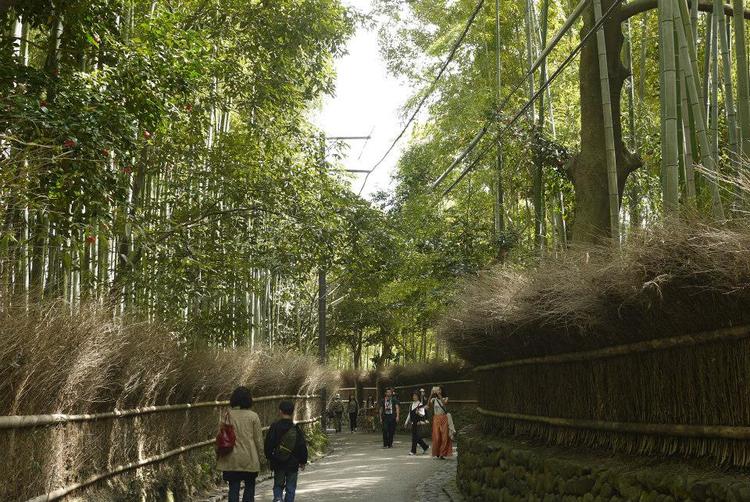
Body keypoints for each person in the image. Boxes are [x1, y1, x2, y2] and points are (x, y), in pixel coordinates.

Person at [217, 386, 264, 502]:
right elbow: (258, 439)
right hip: (250, 458)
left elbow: (220, 437)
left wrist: (218, 454)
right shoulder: (253, 416)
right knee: (249, 487)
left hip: (231, 459)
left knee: (233, 488)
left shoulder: (227, 415)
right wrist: (262, 457)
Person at [264, 400, 309, 502]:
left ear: (280, 411)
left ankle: (278, 498)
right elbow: (301, 446)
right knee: (291, 487)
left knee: (278, 485)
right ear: (292, 412)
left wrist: (270, 457)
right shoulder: (295, 428)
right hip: (292, 463)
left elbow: (268, 444)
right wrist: (303, 461)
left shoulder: (275, 427)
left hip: (278, 462)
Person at [429, 386, 453, 459]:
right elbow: (428, 405)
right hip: (436, 418)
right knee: (436, 437)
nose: (438, 390)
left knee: (444, 436)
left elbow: (444, 403)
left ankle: (442, 453)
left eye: (439, 389)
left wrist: (439, 395)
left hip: (444, 418)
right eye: (437, 389)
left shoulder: (446, 398)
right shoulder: (434, 399)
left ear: (442, 390)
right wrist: (431, 394)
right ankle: (437, 452)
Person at [405, 390, 429, 455]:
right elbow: (409, 414)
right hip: (413, 422)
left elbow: (422, 414)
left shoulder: (420, 404)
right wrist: (406, 422)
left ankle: (413, 451)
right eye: (413, 396)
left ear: (418, 396)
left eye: (415, 396)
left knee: (414, 437)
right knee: (416, 437)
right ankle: (425, 446)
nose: (414, 397)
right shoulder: (411, 404)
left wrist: (418, 412)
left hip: (418, 423)